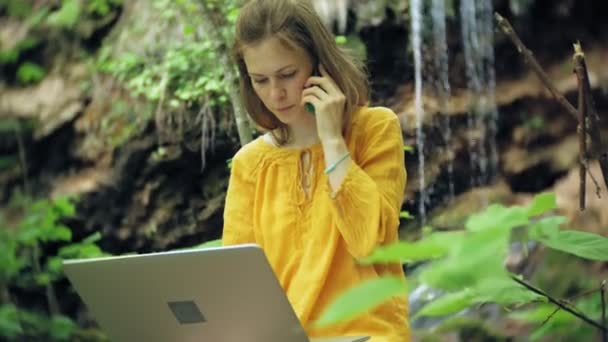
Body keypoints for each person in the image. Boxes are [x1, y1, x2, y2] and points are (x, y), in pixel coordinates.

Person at [222, 0, 409, 340]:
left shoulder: (375, 130)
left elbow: (370, 244)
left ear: (320, 64)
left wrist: (332, 140)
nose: (275, 94)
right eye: (259, 80)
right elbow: (239, 287)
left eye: (287, 75)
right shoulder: (249, 164)